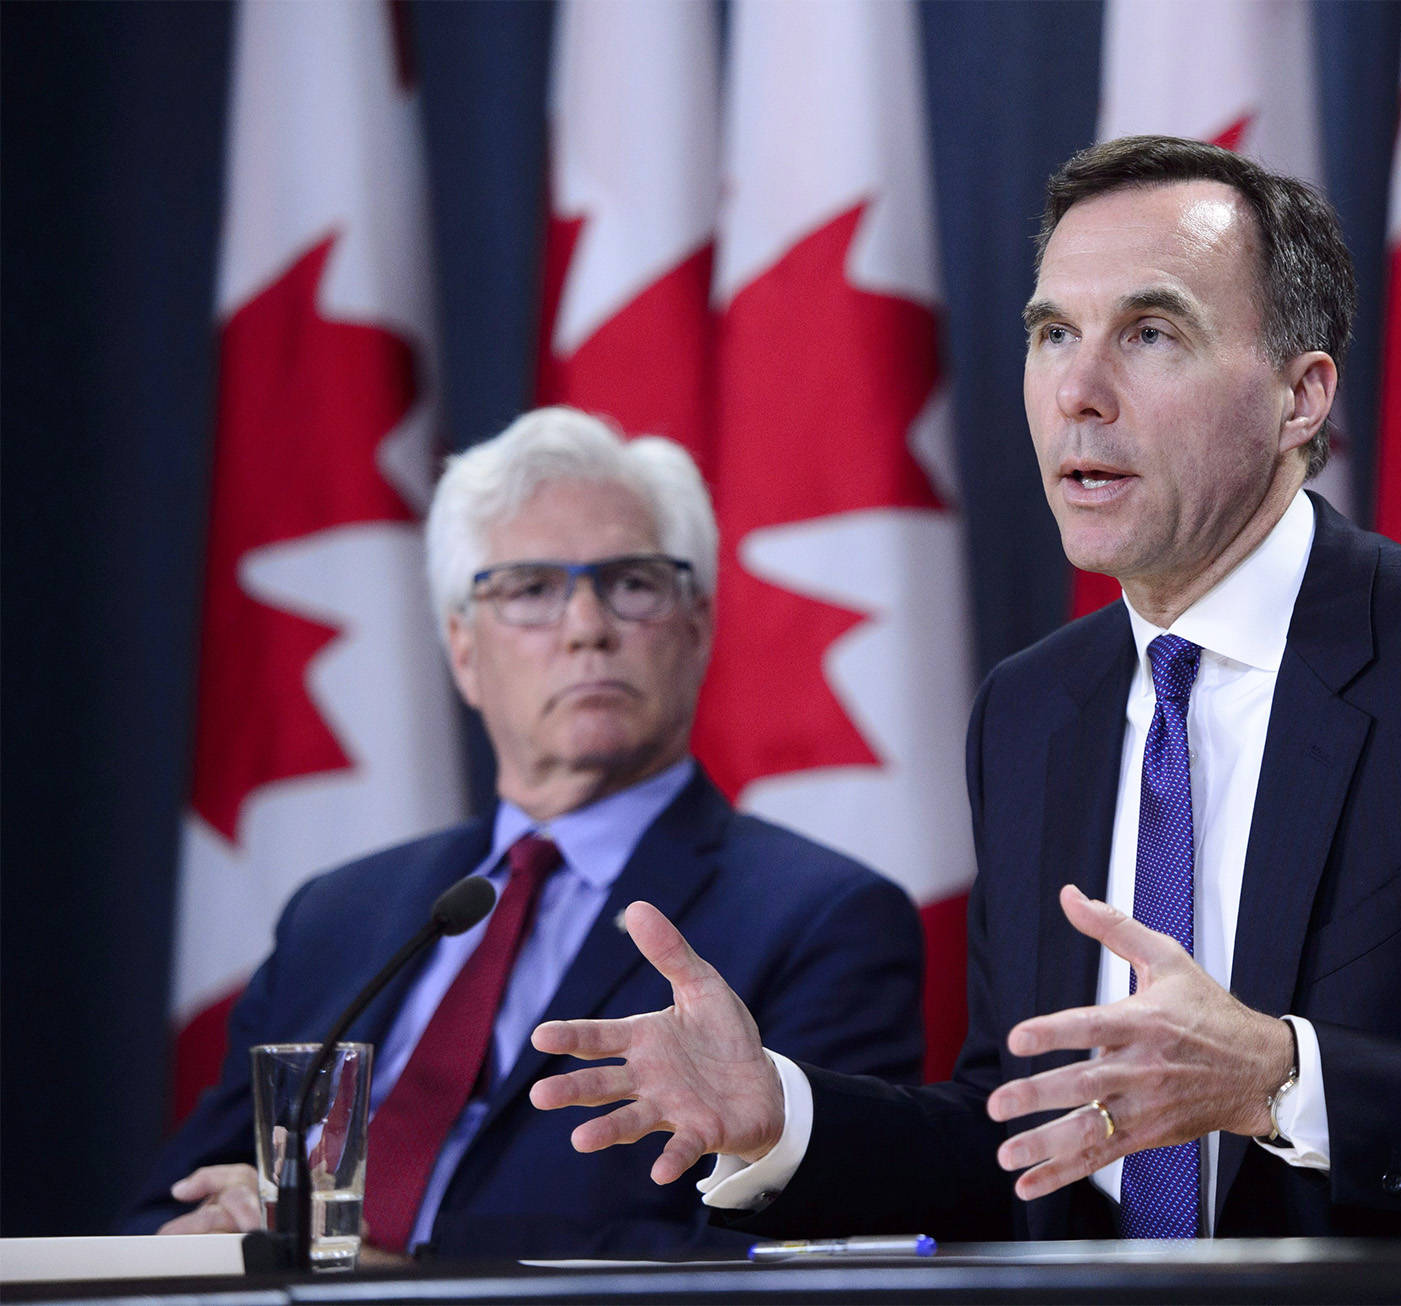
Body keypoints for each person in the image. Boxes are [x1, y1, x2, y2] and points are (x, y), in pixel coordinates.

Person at [529, 136, 1401, 1241]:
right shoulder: (1033, 708)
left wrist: (1278, 1079)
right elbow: (1016, 1137)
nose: (1077, 392)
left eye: (1149, 333)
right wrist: (779, 1116)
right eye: (1052, 333)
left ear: (1298, 396)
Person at [122, 407, 925, 1259]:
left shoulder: (823, 919)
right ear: (463, 650)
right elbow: (155, 1216)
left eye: (633, 583)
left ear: (698, 630)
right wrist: (215, 1225)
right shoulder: (339, 914)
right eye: (532, 589)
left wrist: (400, 1277)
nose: (586, 627)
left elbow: (773, 1262)